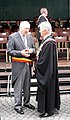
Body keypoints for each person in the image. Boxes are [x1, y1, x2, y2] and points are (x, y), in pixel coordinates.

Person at [7, 21, 36, 114]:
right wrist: (21, 53)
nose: (27, 30)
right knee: (18, 86)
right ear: (20, 28)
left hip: (28, 65)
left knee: (27, 86)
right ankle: (17, 105)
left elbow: (34, 49)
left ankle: (26, 102)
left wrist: (31, 50)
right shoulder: (13, 37)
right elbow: (10, 51)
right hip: (18, 65)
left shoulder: (30, 36)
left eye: (28, 28)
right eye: (26, 28)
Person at [36, 21, 60, 118]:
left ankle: (48, 110)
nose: (39, 31)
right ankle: (51, 107)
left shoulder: (49, 43)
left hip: (47, 72)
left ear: (45, 30)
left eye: (40, 30)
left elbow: (45, 61)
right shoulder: (48, 41)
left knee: (48, 89)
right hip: (50, 70)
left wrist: (37, 63)